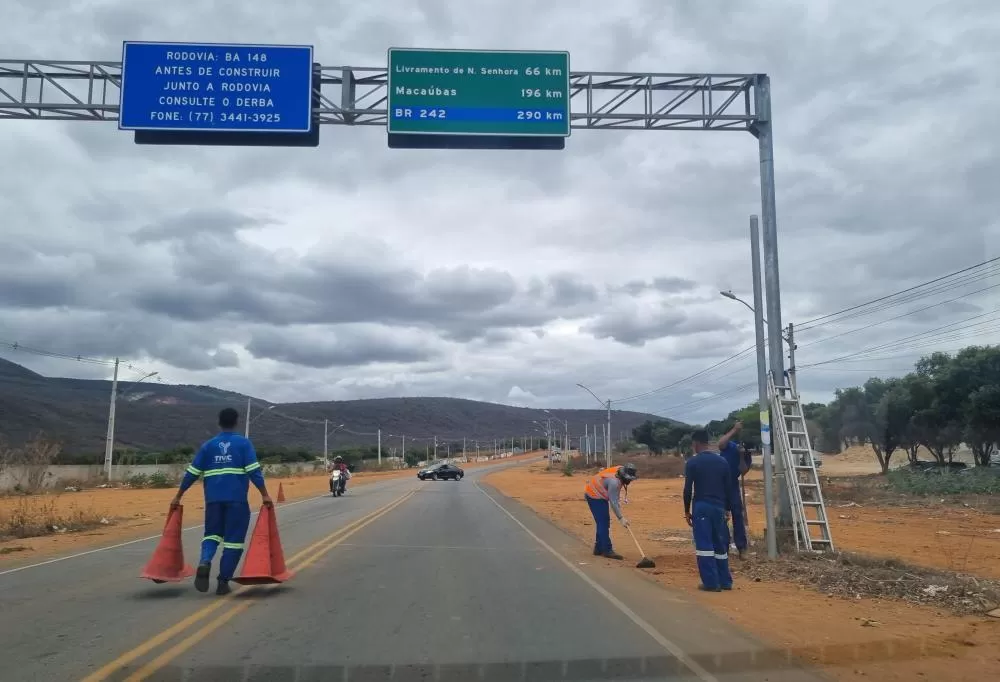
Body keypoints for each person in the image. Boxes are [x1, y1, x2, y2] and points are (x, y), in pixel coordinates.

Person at [171, 407, 272, 595]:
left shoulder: (208, 446)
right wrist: (264, 494)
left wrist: (178, 496)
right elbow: (254, 472)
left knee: (211, 534)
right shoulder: (243, 444)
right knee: (233, 542)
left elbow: (191, 473)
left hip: (213, 501)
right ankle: (223, 581)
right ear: (236, 422)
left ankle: (205, 560)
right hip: (237, 502)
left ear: (219, 422)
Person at [683, 429, 733, 592]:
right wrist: (728, 509)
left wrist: (686, 511)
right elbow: (729, 488)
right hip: (719, 507)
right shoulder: (722, 462)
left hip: (702, 507)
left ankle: (711, 583)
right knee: (720, 544)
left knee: (704, 545)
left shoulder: (692, 463)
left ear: (696, 444)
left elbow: (688, 490)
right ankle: (725, 581)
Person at [583, 463, 638, 560]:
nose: (629, 481)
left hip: (596, 490)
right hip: (594, 495)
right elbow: (613, 502)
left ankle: (599, 548)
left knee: (603, 522)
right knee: (603, 522)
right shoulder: (614, 483)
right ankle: (607, 550)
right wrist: (621, 518)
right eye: (628, 479)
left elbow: (615, 499)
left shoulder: (620, 469)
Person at [717, 421, 753, 559]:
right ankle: (723, 547)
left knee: (737, 515)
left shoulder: (747, 455)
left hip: (733, 485)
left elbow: (743, 471)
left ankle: (742, 548)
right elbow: (720, 444)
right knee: (722, 516)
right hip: (720, 484)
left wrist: (742, 456)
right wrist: (735, 429)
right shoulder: (729, 446)